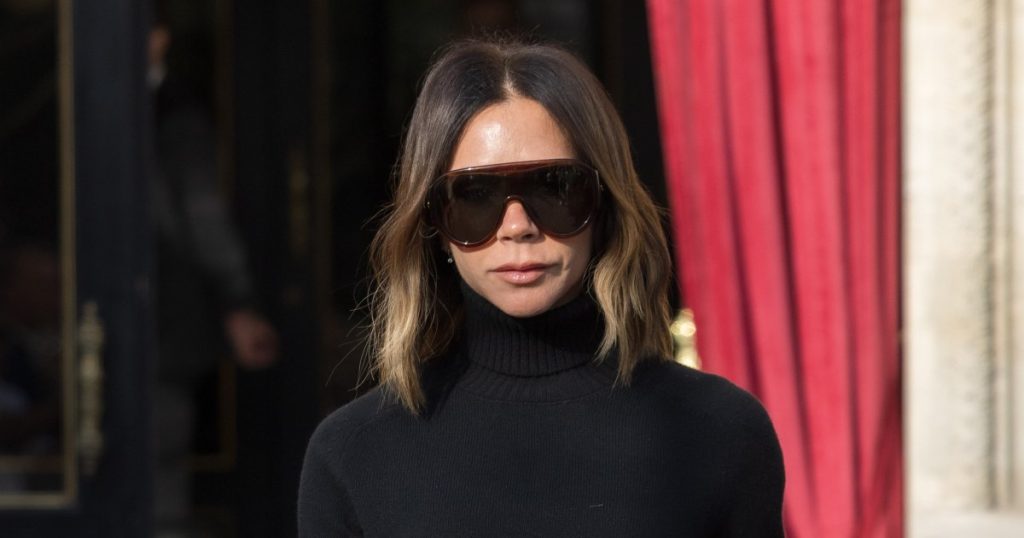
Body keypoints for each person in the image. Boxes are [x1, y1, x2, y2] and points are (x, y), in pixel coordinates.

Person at [298, 39, 785, 537]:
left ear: (604, 206)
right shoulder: (352, 455)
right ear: (434, 223)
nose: (518, 226)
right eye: (475, 195)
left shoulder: (720, 432)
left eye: (553, 187)